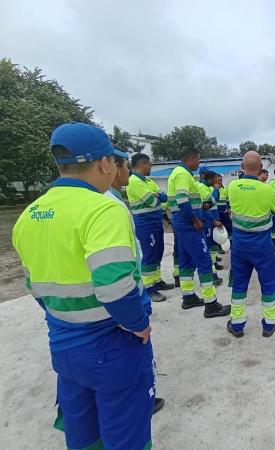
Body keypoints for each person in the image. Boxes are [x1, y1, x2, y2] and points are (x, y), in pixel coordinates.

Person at [12, 123, 154, 449]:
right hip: (112, 345)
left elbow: (34, 286)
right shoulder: (102, 209)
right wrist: (138, 324)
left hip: (62, 345)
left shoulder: (29, 215)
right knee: (127, 437)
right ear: (105, 163)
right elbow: (114, 285)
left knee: (84, 437)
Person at [105, 148, 165, 415]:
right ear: (111, 166)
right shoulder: (109, 206)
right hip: (118, 313)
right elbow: (114, 277)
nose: (128, 171)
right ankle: (141, 398)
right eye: (126, 166)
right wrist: (137, 320)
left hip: (71, 326)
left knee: (154, 257)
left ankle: (155, 283)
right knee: (149, 257)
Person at [167, 148, 230, 315]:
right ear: (192, 158)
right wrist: (195, 220)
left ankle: (188, 297)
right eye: (198, 160)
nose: (199, 163)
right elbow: (182, 200)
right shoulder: (182, 174)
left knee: (186, 262)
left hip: (182, 224)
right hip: (189, 225)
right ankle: (211, 304)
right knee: (204, 262)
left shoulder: (181, 173)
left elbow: (197, 202)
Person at [227, 151, 275, 338]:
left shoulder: (232, 186)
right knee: (268, 282)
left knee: (239, 284)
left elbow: (232, 209)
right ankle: (270, 324)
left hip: (240, 245)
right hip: (262, 245)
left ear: (242, 166)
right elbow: (274, 210)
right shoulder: (267, 190)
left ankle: (237, 324)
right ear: (260, 169)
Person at [126, 153, 174, 303]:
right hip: (145, 224)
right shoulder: (133, 181)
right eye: (150, 164)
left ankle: (156, 280)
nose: (151, 167)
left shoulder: (147, 181)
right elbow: (152, 201)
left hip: (155, 222)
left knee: (158, 251)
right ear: (143, 164)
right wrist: (157, 196)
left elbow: (163, 196)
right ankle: (149, 288)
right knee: (149, 255)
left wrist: (158, 196)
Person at [198, 170, 225, 282]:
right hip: (207, 220)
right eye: (215, 178)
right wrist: (213, 221)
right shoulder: (201, 187)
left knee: (213, 245)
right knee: (207, 248)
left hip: (213, 218)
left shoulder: (208, 187)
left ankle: (213, 266)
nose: (217, 181)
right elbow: (210, 202)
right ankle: (211, 276)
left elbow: (214, 200)